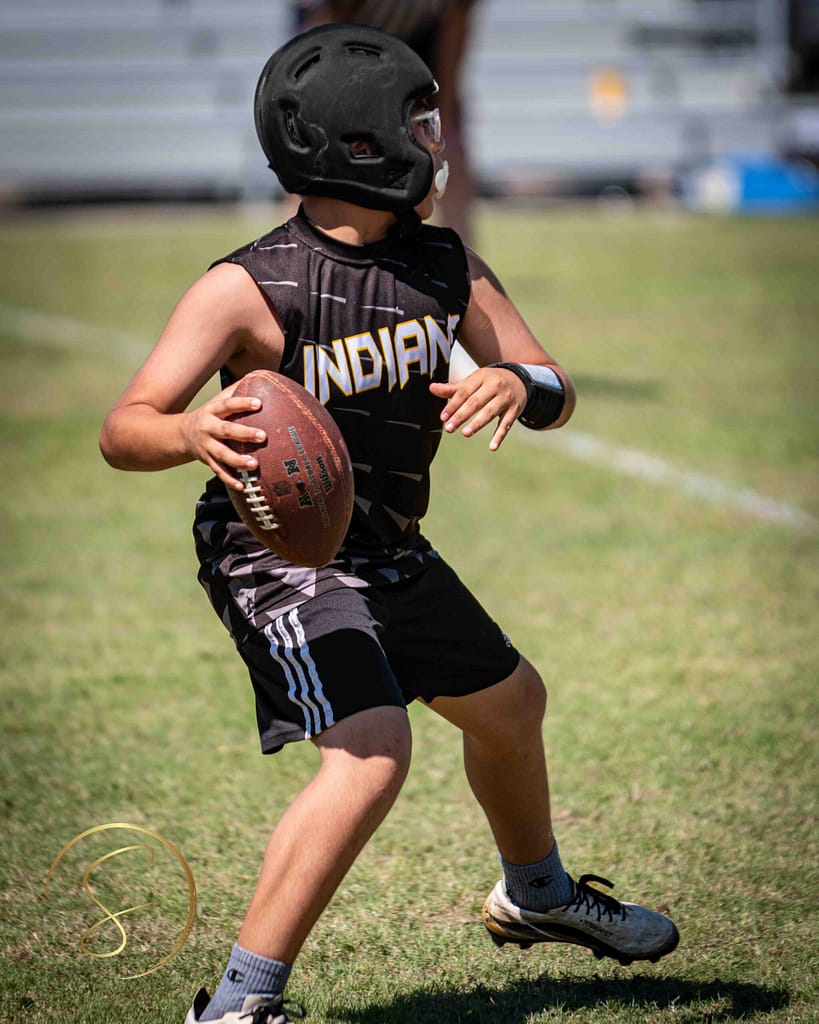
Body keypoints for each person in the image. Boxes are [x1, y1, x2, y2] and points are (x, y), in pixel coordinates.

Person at [99, 25, 679, 1024]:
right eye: (421, 124)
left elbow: (555, 384)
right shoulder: (247, 285)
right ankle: (237, 1005)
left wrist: (514, 381)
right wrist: (193, 429)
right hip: (273, 554)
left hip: (387, 542)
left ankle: (536, 894)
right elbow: (124, 428)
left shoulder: (448, 265)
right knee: (371, 749)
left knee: (511, 704)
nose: (440, 143)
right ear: (361, 147)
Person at [290, 0, 478, 243]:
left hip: (420, 38)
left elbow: (456, 20)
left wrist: (446, 118)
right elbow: (333, 24)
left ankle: (462, 258)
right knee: (315, 148)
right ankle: (299, 252)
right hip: (341, 37)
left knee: (449, 143)